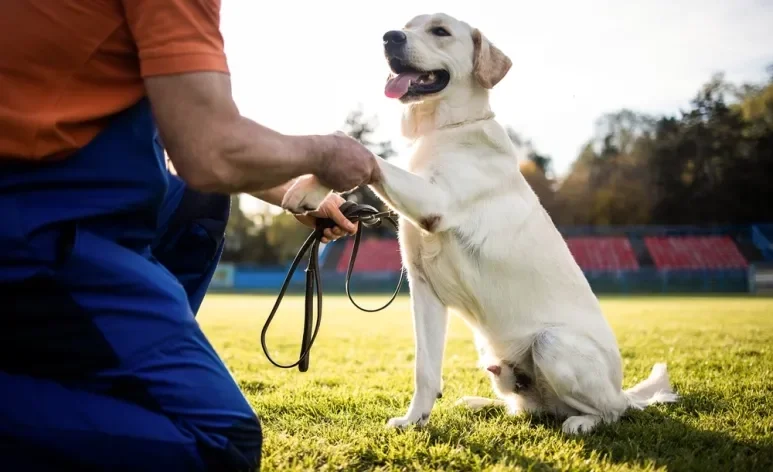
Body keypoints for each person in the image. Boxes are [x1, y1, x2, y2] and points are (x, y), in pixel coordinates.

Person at [0, 1, 379, 470]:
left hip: (55, 201)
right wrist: (325, 154)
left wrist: (295, 191)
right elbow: (207, 148)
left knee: (200, 200)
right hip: (37, 219)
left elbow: (183, 140)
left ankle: (111, 367)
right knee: (217, 442)